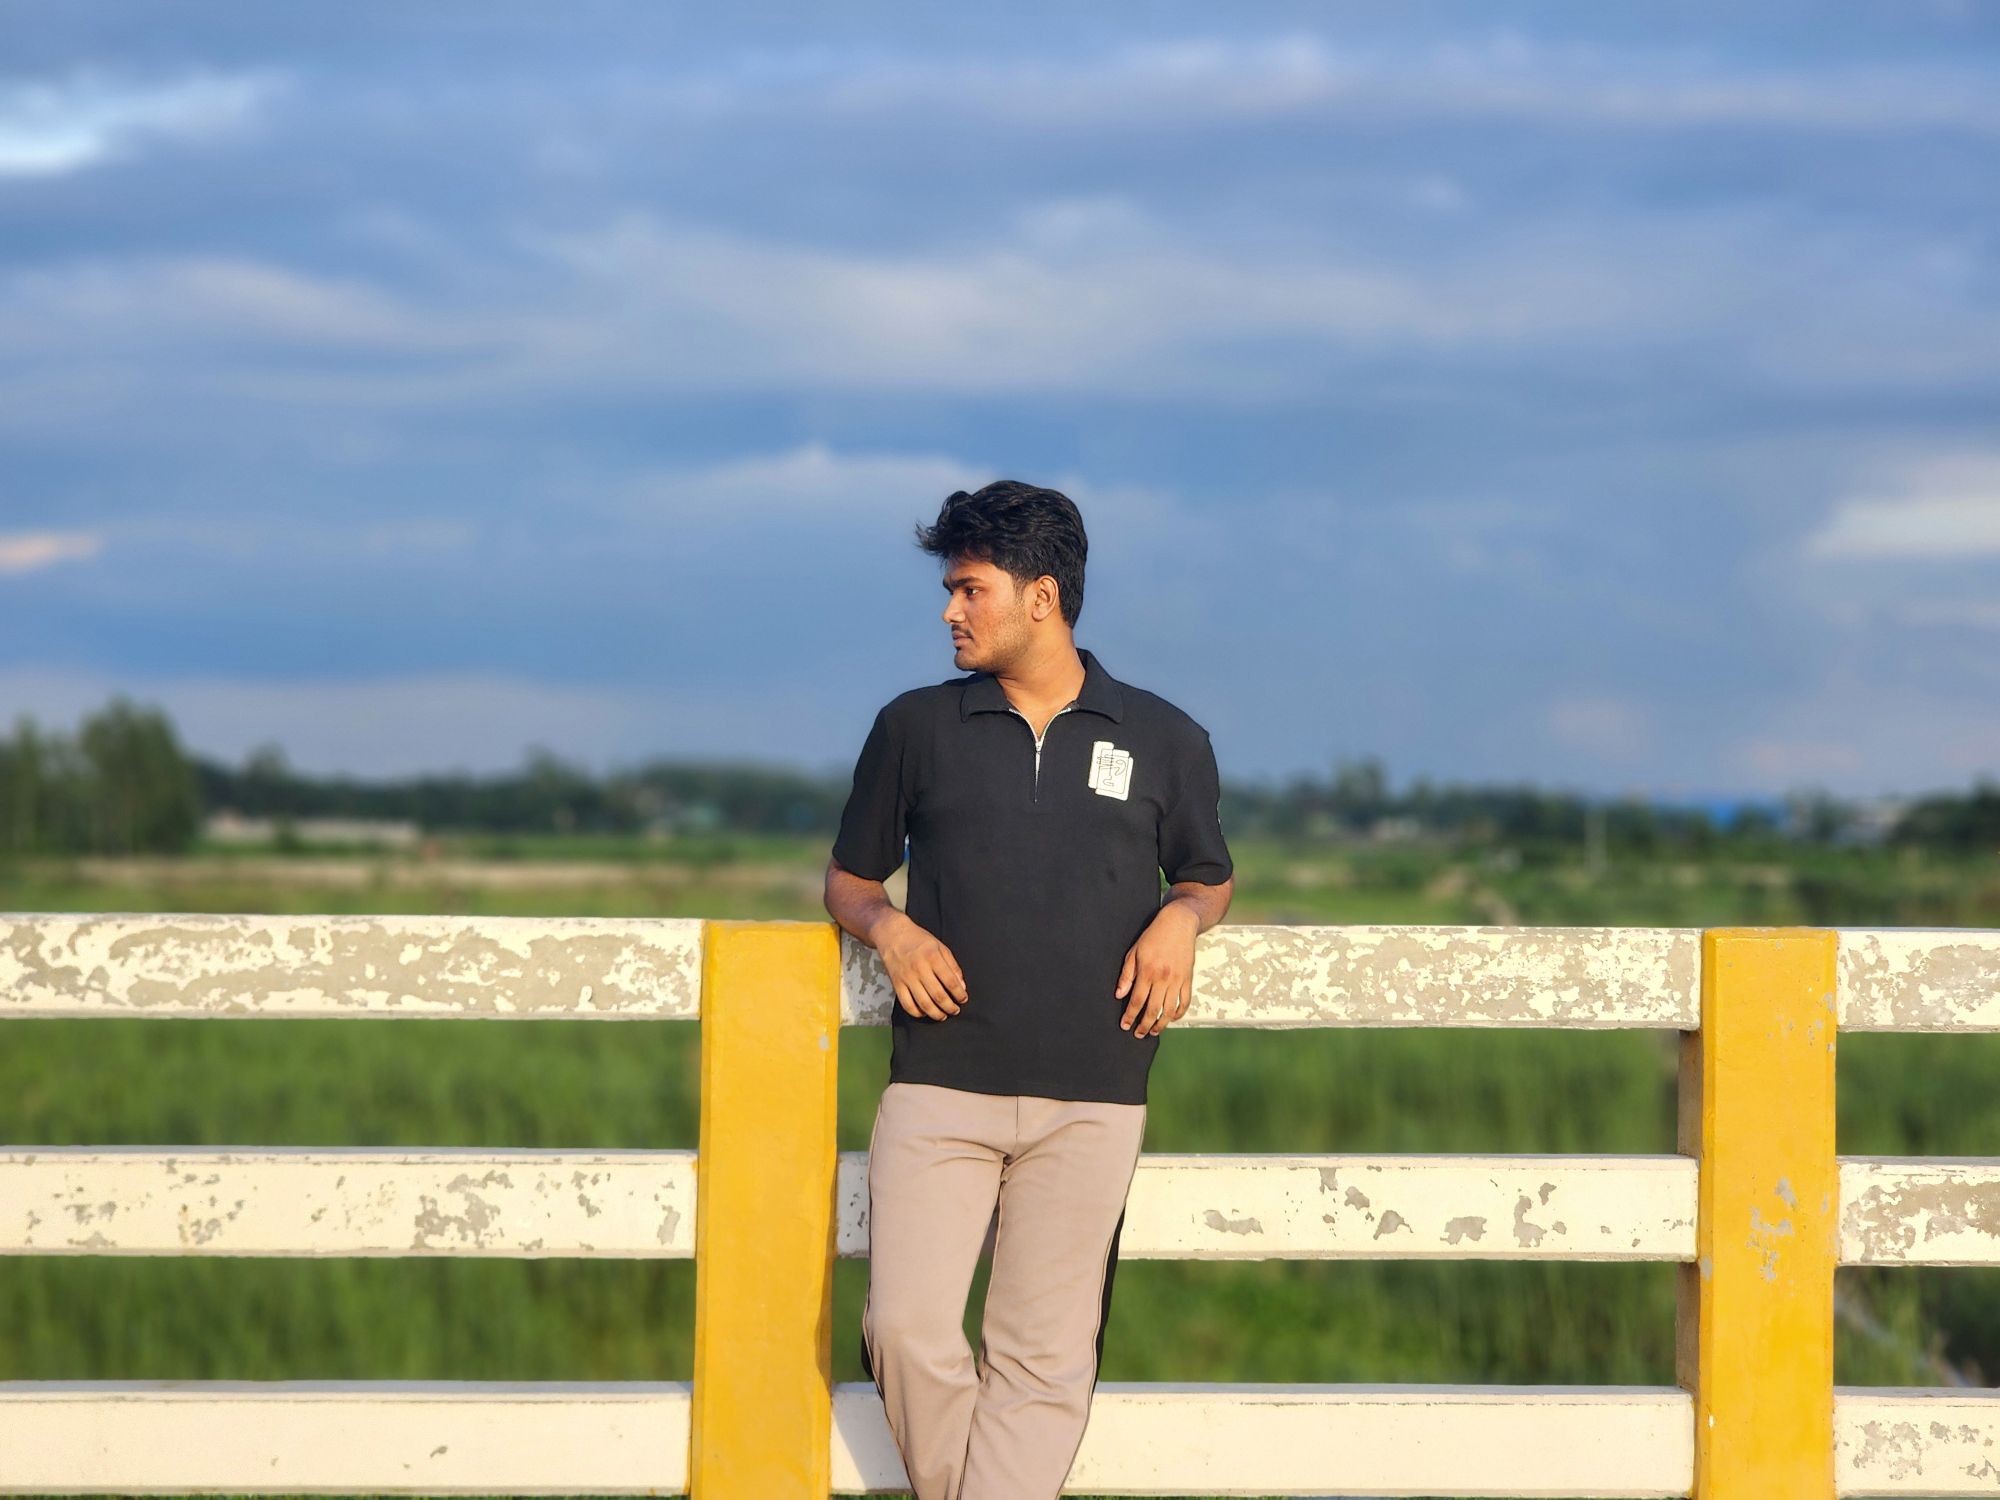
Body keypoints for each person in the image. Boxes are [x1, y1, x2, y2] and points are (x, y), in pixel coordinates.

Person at [822, 479, 1235, 1500]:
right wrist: (889, 929)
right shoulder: (914, 727)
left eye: (969, 589)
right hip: (938, 1083)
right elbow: (849, 882)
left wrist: (1181, 919)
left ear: (1040, 596)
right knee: (905, 1329)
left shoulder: (1165, 738)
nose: (949, 612)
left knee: (1042, 1355)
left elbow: (1206, 875)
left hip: (1094, 1093)